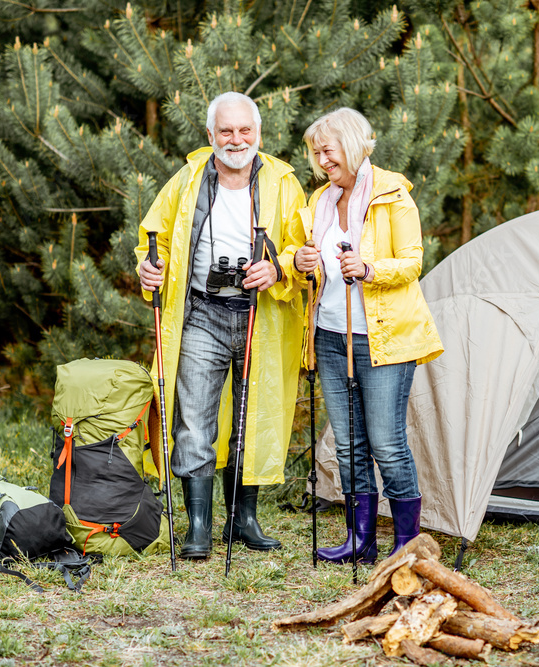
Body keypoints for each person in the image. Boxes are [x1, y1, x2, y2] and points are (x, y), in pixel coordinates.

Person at [136, 92, 306, 560]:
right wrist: (149, 267)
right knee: (194, 420)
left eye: (244, 130)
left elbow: (300, 247)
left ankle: (243, 519)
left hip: (260, 315)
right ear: (210, 136)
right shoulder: (187, 180)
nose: (236, 140)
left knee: (252, 418)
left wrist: (278, 270)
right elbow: (156, 239)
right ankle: (198, 526)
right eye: (226, 131)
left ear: (259, 134)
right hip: (202, 314)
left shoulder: (283, 183)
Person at [289, 107, 443, 564]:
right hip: (330, 335)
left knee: (387, 443)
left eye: (327, 150)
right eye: (316, 153)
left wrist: (370, 269)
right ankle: (361, 543)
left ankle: (406, 548)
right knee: (349, 444)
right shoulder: (320, 201)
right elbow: (312, 271)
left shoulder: (392, 194)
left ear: (352, 145)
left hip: (383, 337)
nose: (321, 159)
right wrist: (301, 264)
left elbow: (413, 261)